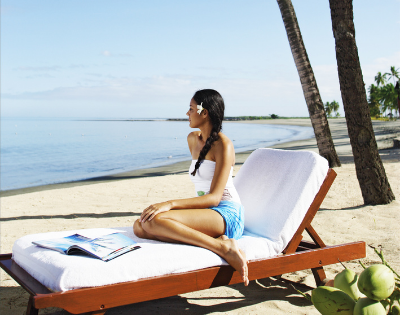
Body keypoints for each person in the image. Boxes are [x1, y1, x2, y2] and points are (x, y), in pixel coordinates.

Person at [133, 89, 248, 285]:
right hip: (206, 211)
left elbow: (214, 197)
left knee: (153, 222)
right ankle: (217, 243)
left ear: (205, 113)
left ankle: (224, 248)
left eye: (191, 109)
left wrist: (169, 204)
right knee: (139, 226)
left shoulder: (223, 145)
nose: (187, 113)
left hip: (226, 213)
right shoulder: (192, 139)